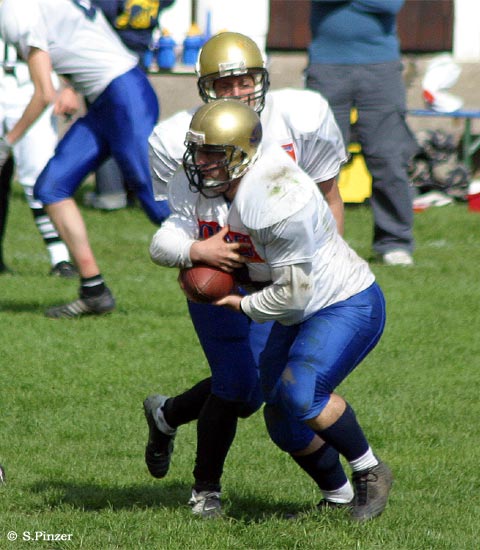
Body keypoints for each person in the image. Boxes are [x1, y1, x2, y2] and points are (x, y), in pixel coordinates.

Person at [152, 98, 393, 521]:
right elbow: (163, 242)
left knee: (302, 393)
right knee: (283, 422)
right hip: (296, 310)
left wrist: (240, 302)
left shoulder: (277, 197)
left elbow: (294, 293)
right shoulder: (210, 184)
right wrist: (194, 253)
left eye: (212, 152)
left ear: (242, 154)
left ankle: (370, 471)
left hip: (342, 302)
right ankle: (337, 498)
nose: (200, 161)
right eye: (197, 150)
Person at [144, 32, 347, 517]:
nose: (236, 92)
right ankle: (206, 490)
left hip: (279, 270)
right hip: (220, 272)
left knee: (261, 390)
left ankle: (168, 413)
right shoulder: (175, 137)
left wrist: (322, 268)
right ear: (204, 87)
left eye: (244, 80)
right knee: (236, 385)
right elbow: (180, 222)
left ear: (263, 78)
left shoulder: (303, 115)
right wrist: (195, 254)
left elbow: (329, 196)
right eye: (223, 83)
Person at [0, 0, 170, 318]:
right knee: (51, 186)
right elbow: (74, 44)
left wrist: (6, 143)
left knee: (156, 202)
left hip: (123, 94)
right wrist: (70, 85)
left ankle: (239, 265)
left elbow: (43, 93)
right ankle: (94, 292)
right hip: (108, 97)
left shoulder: (17, 9)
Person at [305, 0, 417, 266]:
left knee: (388, 157)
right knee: (319, 162)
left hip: (382, 69)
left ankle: (394, 243)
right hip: (326, 67)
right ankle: (313, 240)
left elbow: (390, 5)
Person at [86, 0, 175, 212]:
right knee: (135, 129)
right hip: (138, 63)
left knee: (107, 127)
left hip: (108, 66)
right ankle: (137, 191)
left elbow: (94, 15)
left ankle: (111, 193)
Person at [0, 39, 78, 277]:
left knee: (40, 177)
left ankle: (60, 259)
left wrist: (69, 85)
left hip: (32, 84)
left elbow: (63, 36)